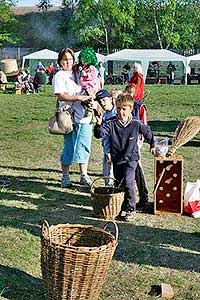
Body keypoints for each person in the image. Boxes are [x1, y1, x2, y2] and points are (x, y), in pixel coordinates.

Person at [102, 93, 155, 222]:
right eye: (119, 108)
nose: (121, 112)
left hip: (132, 158)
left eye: (124, 109)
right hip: (117, 158)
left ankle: (131, 209)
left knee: (128, 181)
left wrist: (152, 144)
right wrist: (98, 124)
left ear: (130, 109)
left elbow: (147, 132)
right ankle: (121, 206)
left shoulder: (136, 123)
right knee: (118, 183)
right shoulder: (111, 123)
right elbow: (101, 134)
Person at [52, 47, 93, 187]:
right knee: (69, 146)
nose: (68, 62)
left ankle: (84, 175)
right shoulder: (59, 76)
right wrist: (78, 98)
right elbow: (60, 94)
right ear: (60, 61)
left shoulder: (80, 72)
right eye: (65, 60)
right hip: (68, 116)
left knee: (84, 145)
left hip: (85, 115)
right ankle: (65, 176)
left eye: (70, 59)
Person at [124, 85, 149, 209]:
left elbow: (144, 125)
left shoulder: (139, 107)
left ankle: (143, 196)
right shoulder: (125, 105)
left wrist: (140, 139)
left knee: (137, 166)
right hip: (124, 139)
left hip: (136, 139)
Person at [94, 89, 116, 186]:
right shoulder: (103, 116)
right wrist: (98, 125)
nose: (102, 103)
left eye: (104, 100)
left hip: (118, 149)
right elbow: (99, 135)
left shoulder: (118, 112)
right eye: (99, 101)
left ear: (110, 99)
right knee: (107, 175)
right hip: (108, 149)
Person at [77, 47, 100, 119]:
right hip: (84, 86)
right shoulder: (82, 67)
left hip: (90, 86)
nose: (84, 62)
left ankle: (91, 112)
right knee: (84, 99)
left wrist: (86, 74)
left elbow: (93, 76)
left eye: (86, 60)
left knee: (89, 98)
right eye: (83, 59)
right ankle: (89, 110)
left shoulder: (92, 68)